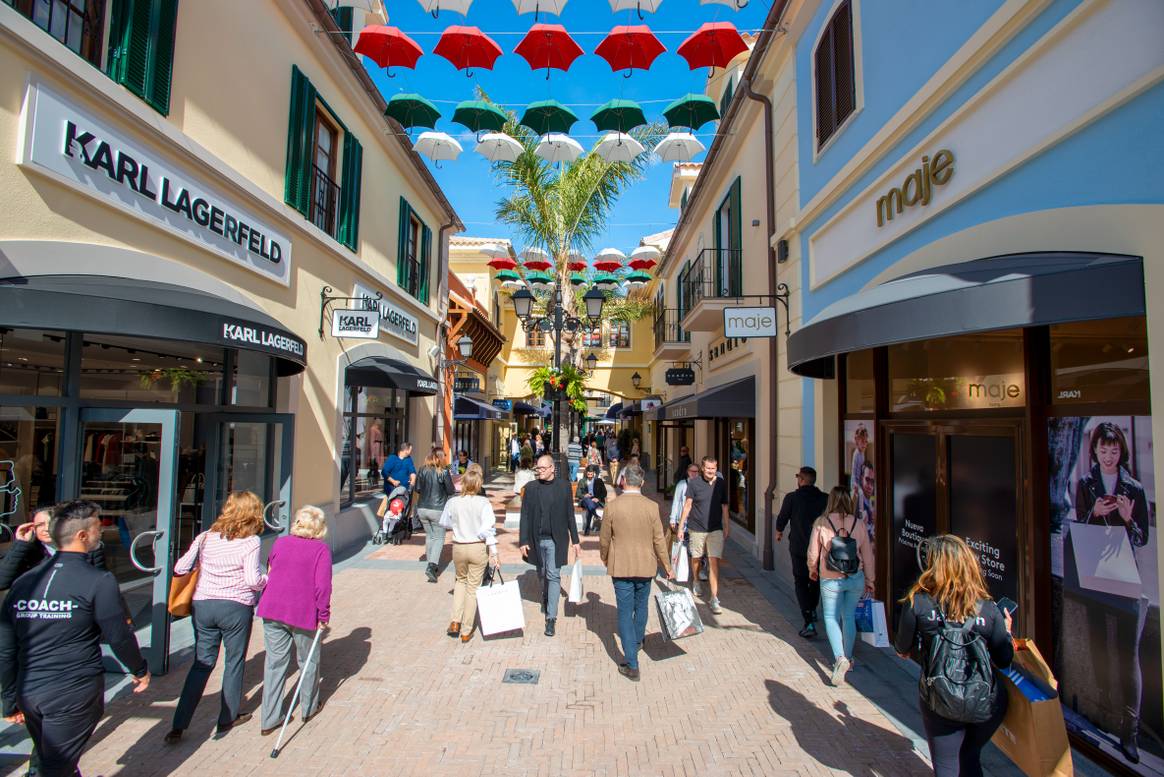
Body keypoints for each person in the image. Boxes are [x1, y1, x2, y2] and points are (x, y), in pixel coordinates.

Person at [0, 501, 149, 777]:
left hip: (31, 690)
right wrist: (139, 669)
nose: (101, 533)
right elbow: (118, 635)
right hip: (73, 691)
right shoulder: (97, 580)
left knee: (53, 761)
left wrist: (10, 698)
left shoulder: (24, 583)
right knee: (56, 766)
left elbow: (6, 649)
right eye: (96, 528)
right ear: (81, 535)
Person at [895, 535, 1013, 777]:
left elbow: (902, 648)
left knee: (947, 764)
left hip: (941, 696)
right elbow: (1004, 659)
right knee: (969, 756)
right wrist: (1007, 633)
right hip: (984, 699)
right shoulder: (988, 608)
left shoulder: (918, 602)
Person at [1070, 421, 1149, 762]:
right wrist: (1093, 513)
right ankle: (1101, 709)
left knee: (1126, 654)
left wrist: (1129, 520)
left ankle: (1128, 730)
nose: (1108, 455)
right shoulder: (1086, 483)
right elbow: (1078, 526)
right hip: (1093, 572)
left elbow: (1142, 539)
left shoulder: (1134, 488)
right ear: (1095, 450)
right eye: (1103, 449)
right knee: (1098, 640)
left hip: (1124, 575)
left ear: (1122, 452)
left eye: (1114, 450)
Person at [166, 491, 268, 743]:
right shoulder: (251, 541)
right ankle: (227, 718)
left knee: (202, 663)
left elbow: (180, 568)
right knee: (234, 662)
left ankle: (179, 724)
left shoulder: (205, 537)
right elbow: (253, 580)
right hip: (235, 607)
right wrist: (269, 578)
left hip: (203, 605)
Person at [256, 506, 332, 736]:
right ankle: (308, 707)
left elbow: (271, 568)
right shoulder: (320, 550)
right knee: (308, 660)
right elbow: (323, 586)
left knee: (274, 664)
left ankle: (269, 718)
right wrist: (323, 615)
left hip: (273, 608)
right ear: (319, 527)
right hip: (302, 611)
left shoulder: (280, 542)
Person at [600, 464, 672, 681]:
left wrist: (605, 557)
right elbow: (659, 539)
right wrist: (667, 565)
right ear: (642, 483)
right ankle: (638, 640)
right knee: (641, 606)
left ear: (623, 481)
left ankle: (632, 663)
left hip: (621, 566)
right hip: (645, 566)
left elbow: (604, 538)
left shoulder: (613, 507)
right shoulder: (651, 506)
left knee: (624, 611)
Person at [807, 487, 875, 686]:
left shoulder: (821, 522)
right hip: (855, 577)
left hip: (830, 576)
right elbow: (868, 555)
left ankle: (840, 658)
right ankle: (849, 658)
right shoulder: (859, 523)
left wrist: (812, 569)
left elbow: (813, 552)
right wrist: (870, 580)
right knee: (848, 617)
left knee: (830, 617)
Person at [519, 454, 581, 637]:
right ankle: (545, 597)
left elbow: (570, 514)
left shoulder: (564, 487)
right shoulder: (531, 488)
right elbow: (525, 516)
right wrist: (523, 540)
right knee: (543, 573)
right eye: (538, 469)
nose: (540, 472)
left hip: (556, 539)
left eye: (543, 468)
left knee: (553, 575)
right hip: (536, 539)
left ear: (553, 468)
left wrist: (576, 540)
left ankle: (551, 618)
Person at [440, 464, 498, 643]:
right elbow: (488, 530)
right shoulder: (483, 503)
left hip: (458, 545)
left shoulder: (453, 502)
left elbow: (445, 522)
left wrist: (459, 524)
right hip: (477, 546)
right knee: (473, 588)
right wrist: (494, 552)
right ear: (479, 484)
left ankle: (455, 621)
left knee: (460, 582)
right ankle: (466, 629)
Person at [774, 466, 830, 638]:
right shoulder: (825, 498)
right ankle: (812, 609)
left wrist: (779, 531)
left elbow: (782, 517)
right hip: (820, 548)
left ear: (801, 480)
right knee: (815, 580)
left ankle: (808, 620)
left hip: (799, 547)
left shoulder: (792, 497)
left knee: (800, 581)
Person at [0, 504, 105, 589]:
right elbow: (2, 582)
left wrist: (91, 547)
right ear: (33, 528)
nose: (46, 529)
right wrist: (21, 544)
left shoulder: (82, 549)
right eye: (40, 524)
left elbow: (100, 584)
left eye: (50, 524)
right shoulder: (26, 551)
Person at [678, 457, 729, 615]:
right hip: (696, 527)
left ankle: (714, 598)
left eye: (713, 469)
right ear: (702, 468)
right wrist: (681, 527)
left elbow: (725, 506)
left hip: (715, 529)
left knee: (714, 561)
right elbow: (687, 506)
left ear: (716, 468)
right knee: (696, 558)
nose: (710, 471)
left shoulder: (721, 484)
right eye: (708, 468)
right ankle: (696, 579)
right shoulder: (694, 483)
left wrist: (726, 525)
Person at [416, 450, 456, 583]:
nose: (445, 458)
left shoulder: (422, 470)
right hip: (437, 509)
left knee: (430, 536)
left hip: (422, 508)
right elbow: (451, 490)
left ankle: (430, 562)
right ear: (439, 458)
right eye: (444, 456)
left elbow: (417, 488)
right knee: (439, 537)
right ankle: (432, 566)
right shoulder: (443, 472)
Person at [579, 465, 607, 536]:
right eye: (588, 474)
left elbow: (604, 492)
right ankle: (596, 516)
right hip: (585, 500)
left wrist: (598, 498)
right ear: (586, 474)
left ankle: (587, 529)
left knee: (589, 507)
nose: (590, 476)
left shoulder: (599, 481)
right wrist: (584, 495)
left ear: (594, 473)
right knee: (588, 501)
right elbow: (578, 493)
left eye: (591, 474)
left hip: (595, 501)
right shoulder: (582, 481)